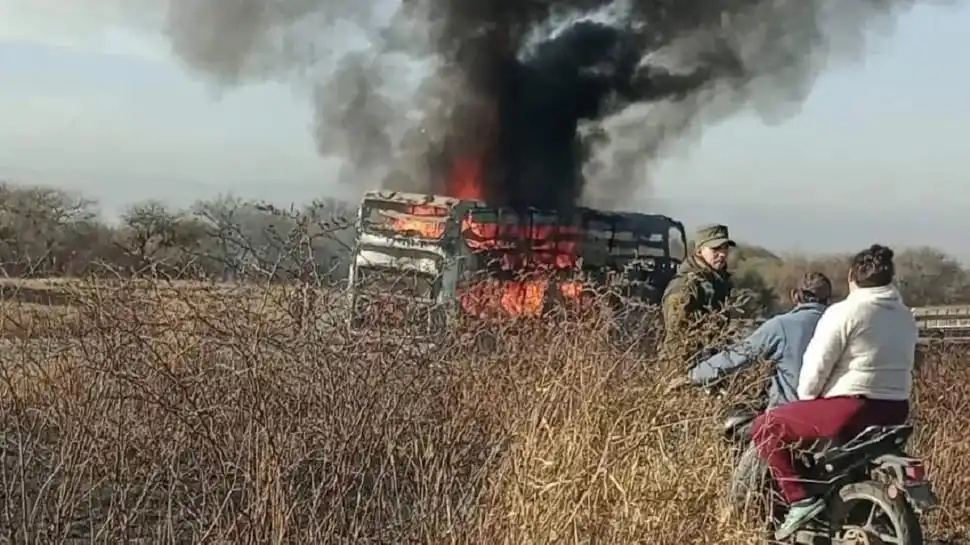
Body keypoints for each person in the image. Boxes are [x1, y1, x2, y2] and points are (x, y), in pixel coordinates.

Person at [750, 244, 917, 540]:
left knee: (766, 426)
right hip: (896, 409)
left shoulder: (845, 312)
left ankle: (801, 499)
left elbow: (815, 371)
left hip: (852, 409)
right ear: (889, 280)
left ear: (852, 277)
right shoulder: (905, 315)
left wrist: (806, 400)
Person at [683, 271, 833, 409]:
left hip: (789, 416)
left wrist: (691, 376)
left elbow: (736, 356)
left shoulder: (781, 326)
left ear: (795, 295)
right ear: (828, 300)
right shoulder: (840, 324)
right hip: (832, 417)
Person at [661, 223, 735, 361]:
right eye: (715, 249)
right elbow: (677, 338)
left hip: (712, 360)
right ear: (699, 251)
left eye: (725, 248)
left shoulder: (718, 280)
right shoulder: (685, 286)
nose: (722, 254)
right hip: (687, 363)